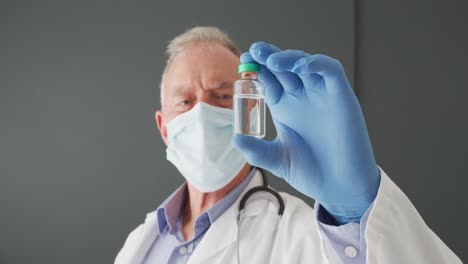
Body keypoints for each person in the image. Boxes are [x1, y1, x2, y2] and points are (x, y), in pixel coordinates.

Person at [114, 26, 461, 264]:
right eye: (185, 102)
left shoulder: (305, 235)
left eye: (222, 95)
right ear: (163, 127)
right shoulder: (139, 244)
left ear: (251, 108)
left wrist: (355, 212)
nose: (202, 113)